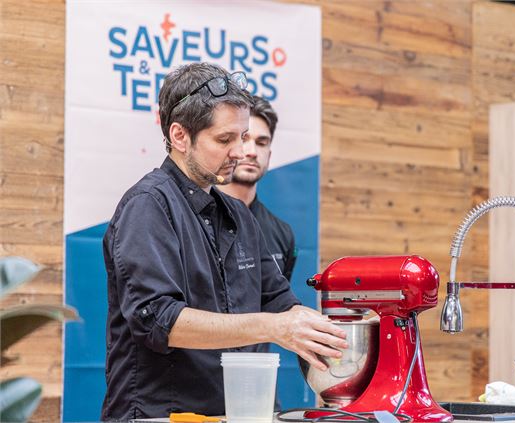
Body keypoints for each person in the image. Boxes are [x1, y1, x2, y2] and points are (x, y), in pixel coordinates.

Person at [101, 63, 347, 421]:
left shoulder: (238, 214)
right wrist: (272, 327)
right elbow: (159, 321)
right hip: (159, 415)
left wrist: (336, 332)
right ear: (180, 136)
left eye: (243, 137)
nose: (241, 151)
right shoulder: (148, 206)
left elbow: (278, 301)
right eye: (224, 139)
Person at [218, 96, 296, 282]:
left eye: (261, 143)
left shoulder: (282, 233)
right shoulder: (194, 220)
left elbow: (279, 305)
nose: (252, 152)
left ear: (269, 155)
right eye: (244, 139)